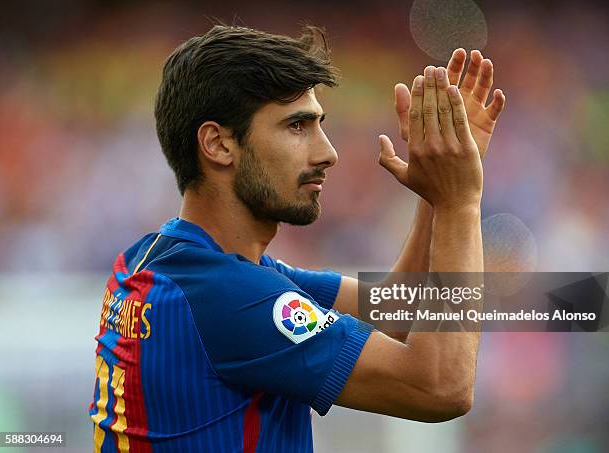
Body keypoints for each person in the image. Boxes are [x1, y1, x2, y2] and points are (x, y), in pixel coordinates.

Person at [89, 24, 505, 452]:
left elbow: (393, 310)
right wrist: (460, 202)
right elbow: (440, 386)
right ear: (218, 144)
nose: (328, 152)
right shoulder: (228, 296)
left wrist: (435, 194)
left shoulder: (158, 261)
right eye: (297, 126)